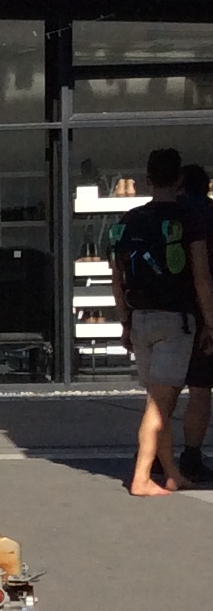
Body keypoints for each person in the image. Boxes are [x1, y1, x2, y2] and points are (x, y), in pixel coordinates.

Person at [108, 147, 213, 497]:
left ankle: (171, 474)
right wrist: (210, 323)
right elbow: (201, 278)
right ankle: (141, 477)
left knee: (158, 400)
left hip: (140, 319)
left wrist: (125, 321)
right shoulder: (188, 219)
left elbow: (117, 277)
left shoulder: (130, 219)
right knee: (158, 405)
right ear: (179, 178)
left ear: (147, 179)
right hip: (175, 322)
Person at [178, 161, 213, 482]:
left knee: (163, 390)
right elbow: (203, 276)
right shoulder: (208, 214)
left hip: (164, 311)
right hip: (202, 314)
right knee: (201, 389)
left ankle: (154, 454)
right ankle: (191, 455)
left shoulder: (165, 214)